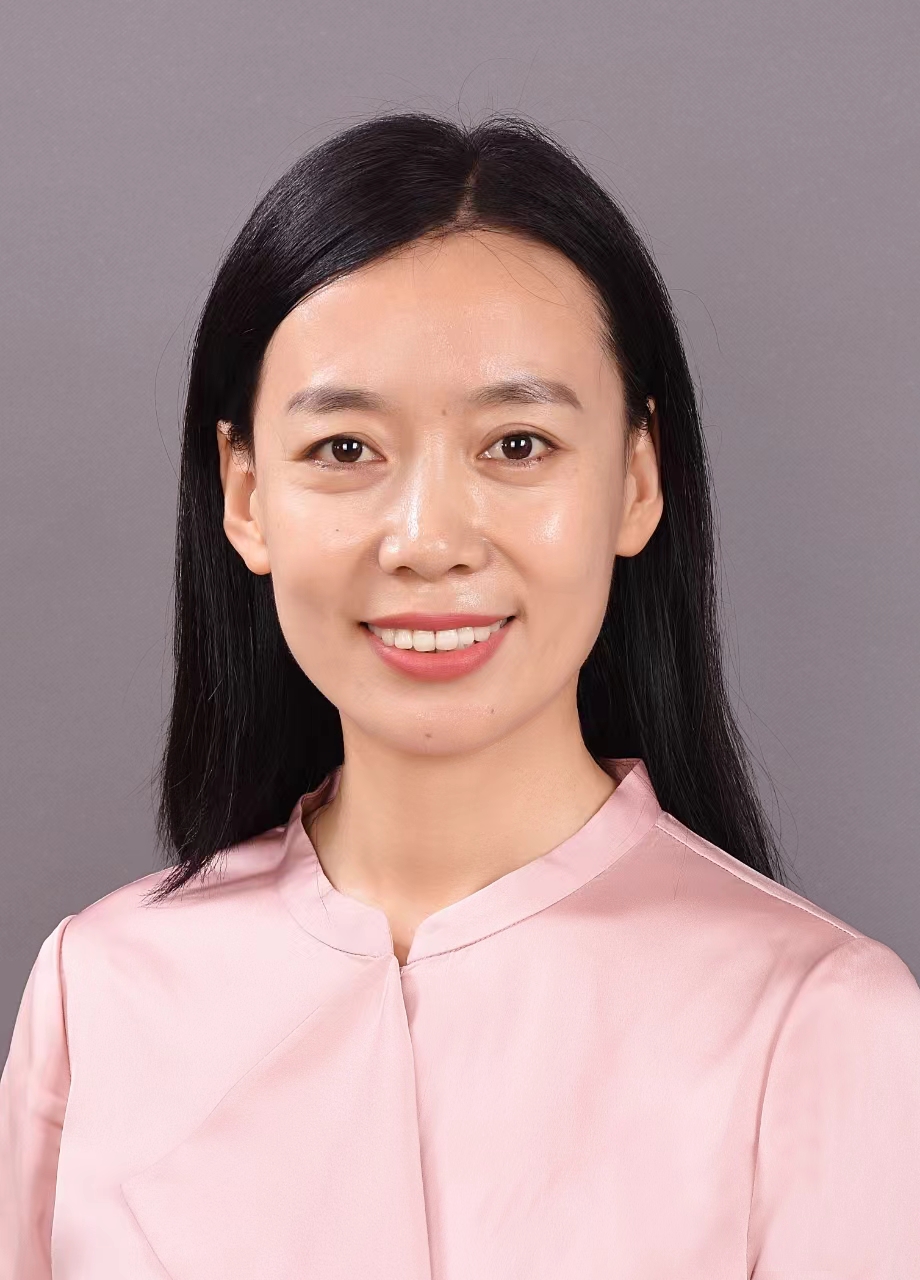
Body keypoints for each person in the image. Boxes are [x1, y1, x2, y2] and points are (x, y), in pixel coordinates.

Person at [1, 110, 919, 1279]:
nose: (428, 539)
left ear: (636, 481)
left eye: (517, 444)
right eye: (344, 449)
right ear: (244, 495)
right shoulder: (99, 994)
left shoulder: (815, 1021)